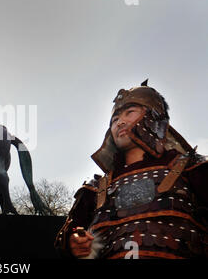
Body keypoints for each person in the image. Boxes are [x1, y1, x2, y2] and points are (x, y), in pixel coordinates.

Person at [55, 80, 208, 259]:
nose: (120, 122)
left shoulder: (193, 169)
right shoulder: (96, 188)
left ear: (154, 117)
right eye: (115, 119)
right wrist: (74, 241)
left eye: (130, 113)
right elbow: (68, 237)